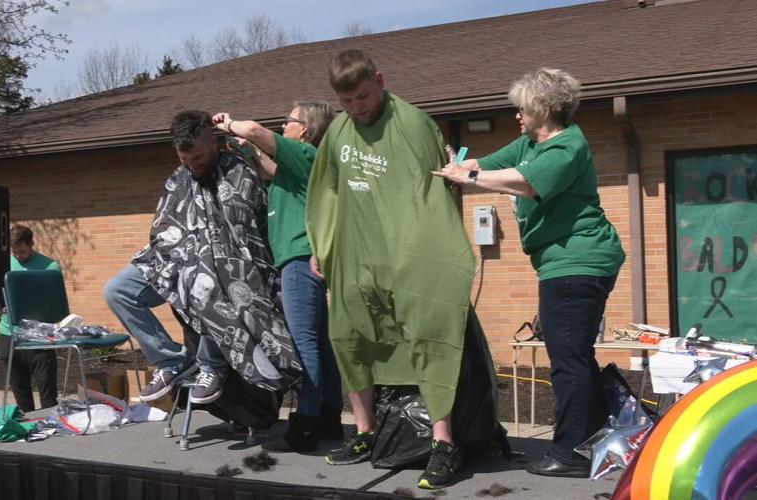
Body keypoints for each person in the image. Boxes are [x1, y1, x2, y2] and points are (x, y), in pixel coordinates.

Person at [306, 49, 496, 489]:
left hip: (411, 254)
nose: (358, 108)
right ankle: (365, 433)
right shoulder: (338, 132)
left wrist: (430, 256)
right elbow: (327, 191)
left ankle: (444, 443)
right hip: (357, 254)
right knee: (350, 338)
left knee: (429, 339)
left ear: (381, 79)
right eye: (348, 101)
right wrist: (324, 244)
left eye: (364, 96)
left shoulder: (413, 125)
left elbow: (437, 195)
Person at [433, 67, 626, 478]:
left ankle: (572, 454)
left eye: (523, 108)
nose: (517, 115)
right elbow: (488, 165)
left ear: (543, 107)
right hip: (562, 261)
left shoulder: (566, 147)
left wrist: (468, 176)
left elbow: (523, 184)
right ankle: (595, 440)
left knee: (567, 359)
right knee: (576, 356)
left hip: (579, 260)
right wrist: (459, 164)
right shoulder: (529, 144)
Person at [105, 110, 302, 407]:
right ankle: (171, 360)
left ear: (213, 143)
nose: (192, 166)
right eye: (185, 161)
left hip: (232, 267)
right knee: (118, 290)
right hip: (176, 258)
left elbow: (252, 231)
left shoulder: (241, 171)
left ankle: (212, 366)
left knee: (207, 280)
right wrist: (181, 252)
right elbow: (165, 228)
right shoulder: (180, 178)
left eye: (198, 158)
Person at [211, 102, 344, 452]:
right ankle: (329, 417)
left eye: (289, 121)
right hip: (303, 259)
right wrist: (245, 150)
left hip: (299, 260)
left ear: (307, 130)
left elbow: (255, 130)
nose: (284, 125)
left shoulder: (304, 153)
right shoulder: (300, 165)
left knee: (304, 344)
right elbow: (268, 168)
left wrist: (229, 124)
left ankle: (306, 425)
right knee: (321, 344)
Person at [0, 225, 61, 411]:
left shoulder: (49, 266)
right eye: (15, 252)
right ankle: (28, 428)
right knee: (20, 391)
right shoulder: (4, 264)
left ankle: (53, 428)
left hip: (39, 335)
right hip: (9, 333)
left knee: (47, 391)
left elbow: (54, 302)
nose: (19, 256)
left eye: (23, 251)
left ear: (32, 244)